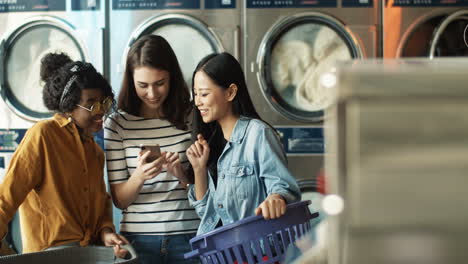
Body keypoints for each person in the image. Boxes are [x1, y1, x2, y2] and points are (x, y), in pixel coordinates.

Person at [0, 52, 128, 257]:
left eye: (104, 102)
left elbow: (101, 206)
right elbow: (6, 196)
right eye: (91, 103)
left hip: (88, 254)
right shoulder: (43, 134)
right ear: (69, 106)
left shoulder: (95, 152)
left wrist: (106, 232)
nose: (100, 111)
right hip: (48, 255)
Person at [104, 35, 200, 264]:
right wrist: (139, 176)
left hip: (189, 235)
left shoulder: (192, 116)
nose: (152, 93)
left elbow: (209, 188)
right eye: (143, 85)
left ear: (173, 78)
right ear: (131, 81)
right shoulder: (117, 124)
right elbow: (120, 200)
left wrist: (181, 174)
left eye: (160, 83)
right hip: (138, 240)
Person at [186, 52, 301, 235]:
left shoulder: (258, 134)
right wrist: (199, 169)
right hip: (221, 254)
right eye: (195, 94)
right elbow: (206, 214)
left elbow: (282, 187)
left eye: (204, 94)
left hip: (256, 252)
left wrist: (277, 198)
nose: (198, 102)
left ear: (230, 92)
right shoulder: (212, 142)